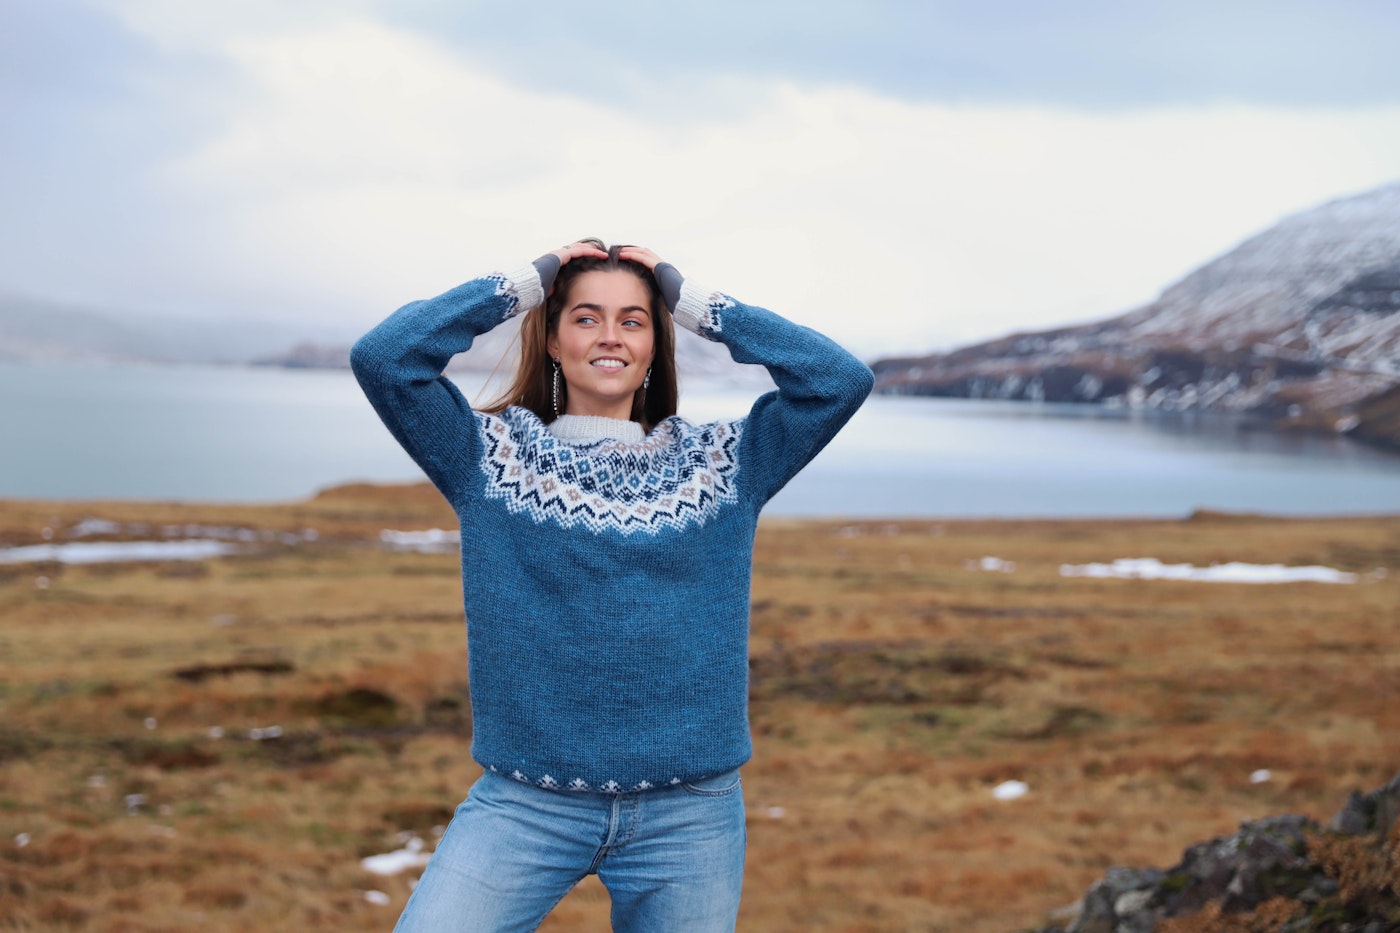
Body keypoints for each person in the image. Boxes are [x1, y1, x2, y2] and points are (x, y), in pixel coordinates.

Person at [350, 239, 874, 932]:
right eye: (586, 317)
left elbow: (839, 380)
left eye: (633, 320)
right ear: (553, 340)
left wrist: (699, 307)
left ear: (657, 345)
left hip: (690, 815)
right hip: (526, 803)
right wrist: (524, 283)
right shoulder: (486, 456)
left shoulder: (728, 463)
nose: (610, 336)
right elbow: (385, 357)